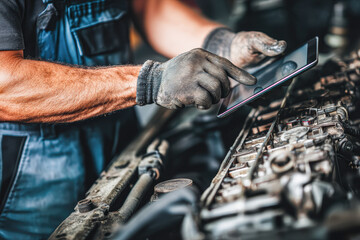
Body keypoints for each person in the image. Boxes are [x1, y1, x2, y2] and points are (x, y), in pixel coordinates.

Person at [0, 0, 286, 238]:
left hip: (125, 152)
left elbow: (150, 7)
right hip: (30, 189)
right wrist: (150, 81)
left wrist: (223, 45)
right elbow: (5, 85)